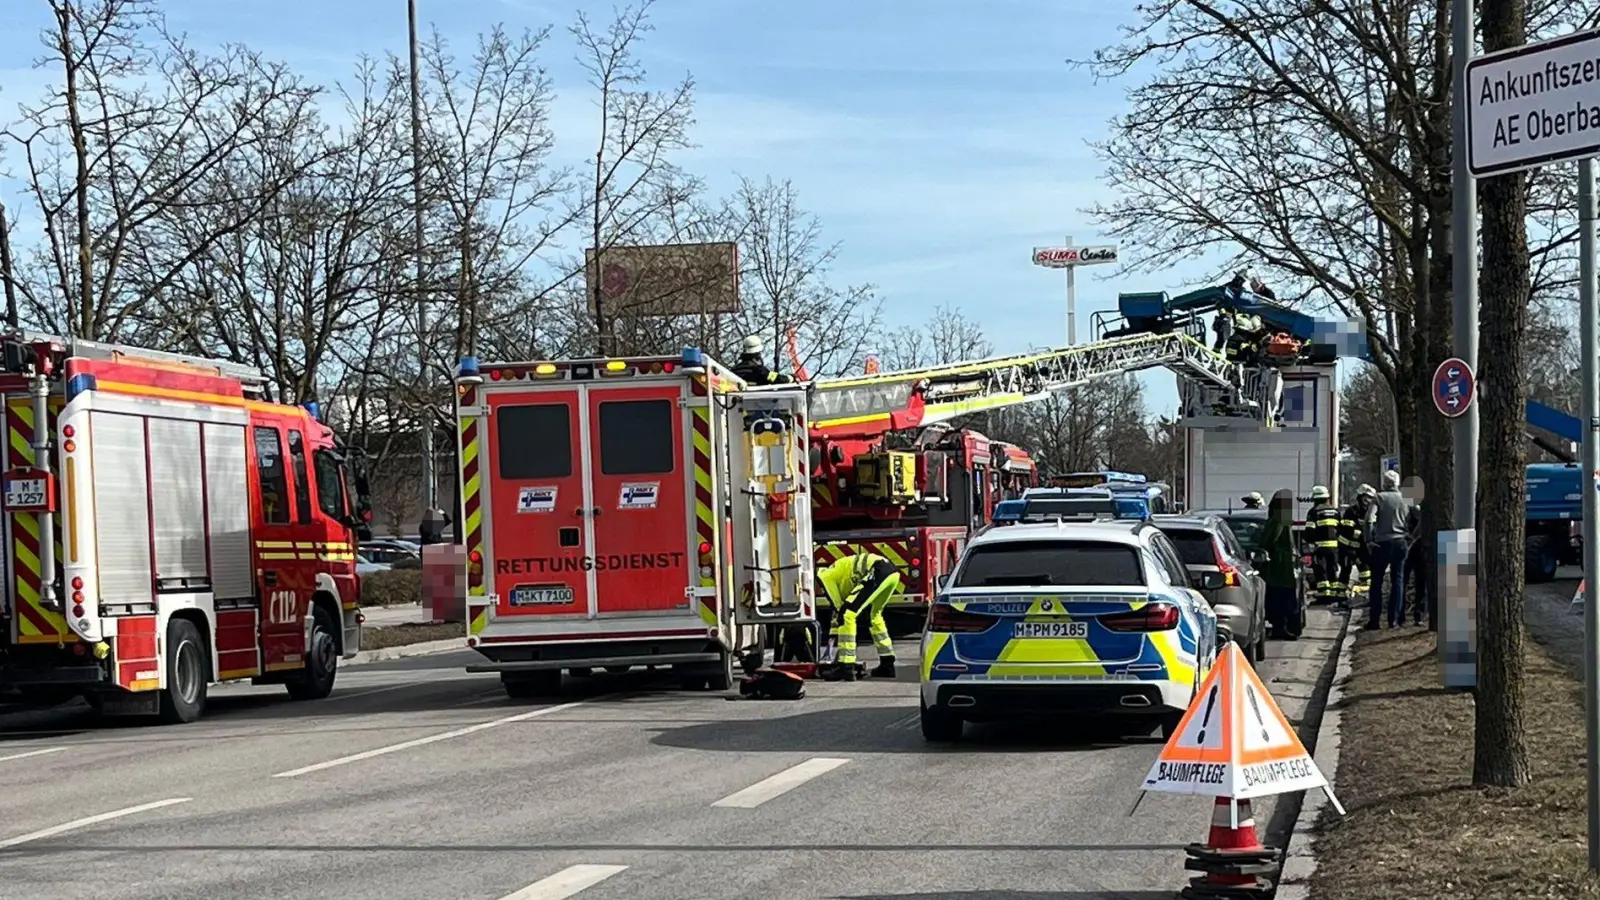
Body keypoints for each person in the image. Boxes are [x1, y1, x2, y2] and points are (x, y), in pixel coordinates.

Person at [816, 551, 900, 681]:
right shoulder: (839, 576)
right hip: (891, 573)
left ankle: (846, 666)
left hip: (877, 570)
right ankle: (887, 664)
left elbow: (839, 610)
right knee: (874, 616)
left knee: (846, 615)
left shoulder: (824, 576)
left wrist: (834, 635)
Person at [1366, 469, 1418, 629]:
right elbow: (1419, 516)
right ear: (1398, 483)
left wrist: (1368, 540)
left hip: (1381, 543)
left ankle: (1374, 621)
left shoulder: (1379, 498)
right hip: (1400, 542)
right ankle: (1393, 620)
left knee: (1376, 582)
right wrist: (1412, 535)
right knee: (1398, 580)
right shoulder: (1407, 498)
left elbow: (1369, 519)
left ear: (1384, 483)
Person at [1261, 489, 1301, 639]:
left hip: (1281, 567)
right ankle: (1280, 628)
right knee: (1280, 598)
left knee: (1282, 598)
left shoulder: (1279, 518)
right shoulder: (1279, 519)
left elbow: (1268, 540)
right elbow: (1270, 540)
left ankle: (1281, 628)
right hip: (1278, 567)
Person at [1304, 485, 1343, 604]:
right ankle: (1333, 594)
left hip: (1320, 547)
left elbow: (1309, 531)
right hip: (1334, 547)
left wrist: (1308, 542)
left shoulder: (1314, 512)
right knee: (1332, 569)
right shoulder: (1335, 511)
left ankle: (1324, 595)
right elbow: (1340, 529)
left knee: (1321, 570)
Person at [1337, 484, 1376, 598]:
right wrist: (1360, 534)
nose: (1367, 501)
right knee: (1345, 571)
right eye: (1366, 497)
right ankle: (1340, 596)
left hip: (1363, 549)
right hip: (1348, 548)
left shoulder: (1372, 512)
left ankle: (1364, 595)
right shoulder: (1351, 512)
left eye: (1370, 498)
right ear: (1360, 497)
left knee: (1366, 572)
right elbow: (1346, 531)